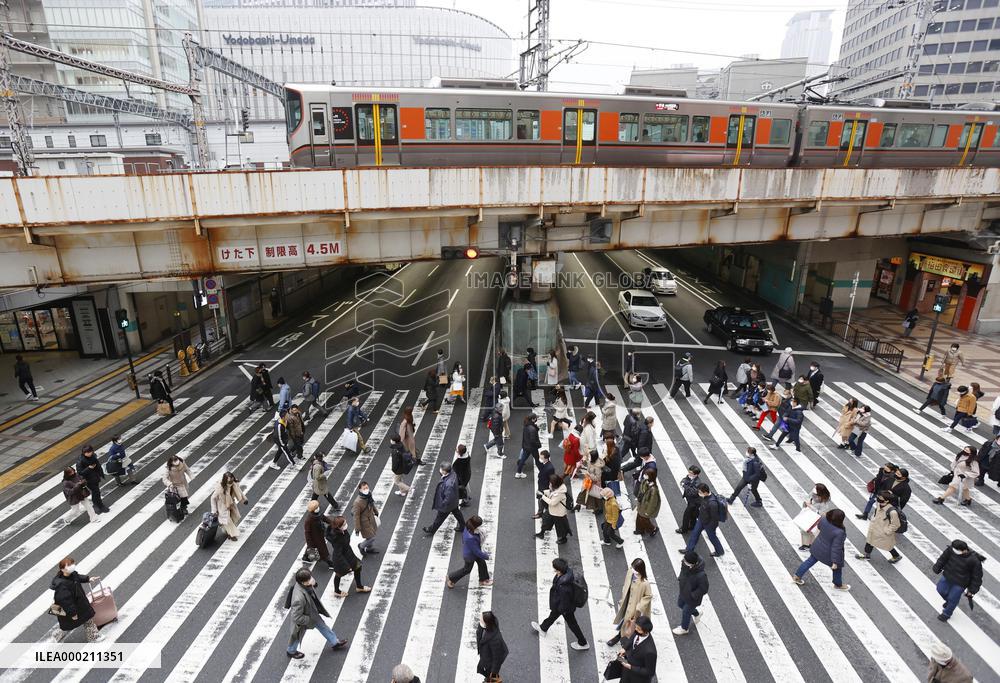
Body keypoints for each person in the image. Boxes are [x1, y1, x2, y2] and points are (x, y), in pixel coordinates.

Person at [285, 568, 348, 659]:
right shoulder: (298, 599)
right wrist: (310, 620)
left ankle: (335, 642)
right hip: (305, 617)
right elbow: (296, 617)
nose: (312, 579)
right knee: (296, 634)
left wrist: (313, 584)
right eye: (309, 579)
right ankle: (291, 651)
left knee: (322, 625)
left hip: (311, 612)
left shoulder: (303, 584)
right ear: (303, 583)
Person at [531, 557, 589, 651]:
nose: (554, 570)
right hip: (561, 605)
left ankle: (583, 643)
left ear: (559, 569)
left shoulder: (564, 586)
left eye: (555, 568)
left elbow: (564, 601)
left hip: (565, 608)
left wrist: (561, 610)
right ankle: (543, 628)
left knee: (572, 624)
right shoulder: (567, 573)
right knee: (553, 615)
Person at [791, 509, 850, 591]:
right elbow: (836, 548)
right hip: (828, 553)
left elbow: (819, 527)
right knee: (837, 568)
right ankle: (838, 584)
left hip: (817, 547)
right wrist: (835, 562)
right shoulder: (839, 532)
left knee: (809, 561)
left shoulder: (824, 519)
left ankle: (797, 576)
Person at [932, 539, 984, 622]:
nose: (954, 551)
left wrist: (972, 590)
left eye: (957, 550)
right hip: (947, 576)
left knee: (953, 598)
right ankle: (949, 602)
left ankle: (946, 614)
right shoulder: (951, 550)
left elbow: (977, 577)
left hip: (960, 583)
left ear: (964, 550)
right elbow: (943, 559)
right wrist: (937, 567)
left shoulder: (974, 560)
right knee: (940, 589)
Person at [50, 557, 100, 642]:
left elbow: (78, 577)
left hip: (77, 604)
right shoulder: (61, 585)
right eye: (69, 565)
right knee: (85, 620)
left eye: (72, 564)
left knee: (68, 624)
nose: (72, 566)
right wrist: (73, 613)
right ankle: (93, 637)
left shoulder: (72, 574)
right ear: (62, 569)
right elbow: (65, 601)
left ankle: (57, 635)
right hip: (73, 608)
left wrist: (88, 579)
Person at [608, 558, 652, 646]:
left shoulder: (644, 583)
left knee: (631, 625)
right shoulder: (630, 572)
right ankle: (620, 636)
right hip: (626, 602)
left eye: (634, 569)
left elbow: (648, 596)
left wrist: (639, 608)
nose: (632, 570)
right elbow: (626, 585)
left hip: (635, 608)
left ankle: (625, 641)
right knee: (624, 621)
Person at [324, 515, 371, 597]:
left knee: (358, 567)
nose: (346, 524)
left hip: (348, 554)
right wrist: (346, 566)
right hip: (341, 559)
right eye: (344, 524)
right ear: (339, 527)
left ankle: (359, 586)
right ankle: (337, 591)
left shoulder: (342, 531)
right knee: (338, 574)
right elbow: (339, 554)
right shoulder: (337, 539)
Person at [855, 491, 903, 563]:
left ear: (887, 501)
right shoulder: (879, 504)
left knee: (888, 545)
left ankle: (896, 556)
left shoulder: (892, 512)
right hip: (875, 528)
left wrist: (887, 531)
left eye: (880, 498)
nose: (878, 499)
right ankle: (867, 554)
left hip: (883, 531)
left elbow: (896, 524)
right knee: (870, 541)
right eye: (878, 497)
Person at [448, 515, 493, 588]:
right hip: (470, 556)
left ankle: (483, 579)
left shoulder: (468, 527)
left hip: (471, 552)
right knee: (467, 570)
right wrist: (486, 556)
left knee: (482, 563)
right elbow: (476, 551)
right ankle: (451, 578)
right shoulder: (470, 538)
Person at [681, 484, 725, 557]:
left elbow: (714, 518)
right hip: (701, 519)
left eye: (700, 492)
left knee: (712, 537)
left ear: (705, 492)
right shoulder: (706, 496)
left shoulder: (712, 503)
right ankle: (689, 550)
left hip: (709, 524)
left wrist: (710, 526)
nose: (699, 493)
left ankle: (719, 551)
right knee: (694, 534)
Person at [423, 462, 465, 535]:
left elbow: (448, 497)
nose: (440, 470)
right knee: (457, 512)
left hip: (447, 505)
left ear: (444, 471)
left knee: (440, 517)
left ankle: (431, 530)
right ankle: (463, 526)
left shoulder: (448, 484)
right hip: (454, 501)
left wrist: (442, 504)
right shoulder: (453, 474)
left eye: (441, 469)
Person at [673, 551, 709, 635]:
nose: (683, 561)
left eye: (685, 561)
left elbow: (704, 589)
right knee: (680, 604)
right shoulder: (685, 564)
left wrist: (693, 595)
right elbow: (682, 571)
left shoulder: (701, 575)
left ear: (692, 564)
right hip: (684, 591)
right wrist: (680, 578)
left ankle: (684, 628)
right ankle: (697, 614)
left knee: (686, 611)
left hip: (692, 598)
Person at [618, 615, 657, 682]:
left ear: (646, 631)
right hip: (626, 674)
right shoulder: (638, 632)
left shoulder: (650, 652)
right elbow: (632, 639)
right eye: (636, 627)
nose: (635, 629)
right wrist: (625, 648)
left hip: (638, 679)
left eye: (638, 629)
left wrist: (631, 667)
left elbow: (650, 672)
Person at [212, 471, 248, 541]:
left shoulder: (234, 484)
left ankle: (225, 528)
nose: (231, 483)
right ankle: (232, 535)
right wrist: (214, 510)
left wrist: (244, 500)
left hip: (231, 504)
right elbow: (213, 498)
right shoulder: (220, 488)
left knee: (235, 517)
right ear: (225, 481)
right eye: (229, 482)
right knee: (228, 520)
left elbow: (239, 491)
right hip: (222, 506)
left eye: (231, 480)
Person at [536, 473, 571, 544]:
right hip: (552, 510)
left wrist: (542, 496)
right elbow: (551, 493)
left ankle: (563, 539)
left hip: (558, 513)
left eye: (551, 483)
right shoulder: (557, 487)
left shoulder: (560, 493)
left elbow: (552, 502)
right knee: (545, 521)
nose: (549, 484)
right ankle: (541, 533)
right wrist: (544, 492)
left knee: (560, 528)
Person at [798, 484, 834, 550]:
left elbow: (823, 513)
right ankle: (806, 544)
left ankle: (809, 545)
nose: (813, 489)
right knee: (804, 529)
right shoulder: (814, 493)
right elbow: (807, 499)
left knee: (810, 530)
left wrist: (811, 507)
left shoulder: (824, 502)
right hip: (808, 514)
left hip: (816, 517)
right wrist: (806, 504)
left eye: (815, 488)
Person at [75, 445, 109, 514]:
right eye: (87, 452)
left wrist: (100, 473)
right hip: (88, 480)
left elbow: (97, 465)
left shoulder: (93, 456)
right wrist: (89, 468)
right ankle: (98, 505)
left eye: (90, 452)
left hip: (95, 477)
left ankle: (98, 505)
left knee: (96, 492)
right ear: (84, 453)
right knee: (96, 491)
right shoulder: (80, 461)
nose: (89, 453)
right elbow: (80, 473)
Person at [475, 611, 508, 681]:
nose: (480, 619)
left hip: (490, 661)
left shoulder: (495, 640)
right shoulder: (486, 625)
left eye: (481, 619)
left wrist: (494, 673)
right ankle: (489, 679)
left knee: (491, 675)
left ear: (486, 623)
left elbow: (497, 659)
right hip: (486, 656)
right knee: (486, 672)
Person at [303, 500, 335, 569]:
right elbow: (307, 533)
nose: (318, 508)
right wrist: (309, 543)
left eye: (317, 507)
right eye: (316, 508)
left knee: (312, 549)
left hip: (320, 534)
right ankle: (329, 563)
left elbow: (324, 518)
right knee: (322, 550)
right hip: (315, 538)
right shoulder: (308, 520)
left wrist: (333, 523)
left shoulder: (318, 514)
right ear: (312, 510)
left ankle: (306, 557)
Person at [351, 481, 379, 555]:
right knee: (372, 537)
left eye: (367, 487)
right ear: (360, 490)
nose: (366, 489)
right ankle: (361, 546)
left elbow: (371, 504)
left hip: (371, 519)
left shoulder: (369, 495)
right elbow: (356, 516)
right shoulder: (357, 502)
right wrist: (357, 528)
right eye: (364, 488)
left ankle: (369, 548)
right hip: (364, 523)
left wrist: (376, 511)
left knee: (370, 535)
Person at [675, 465, 702, 535]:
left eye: (691, 473)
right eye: (689, 472)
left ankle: (684, 529)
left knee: (686, 516)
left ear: (696, 474)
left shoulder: (698, 483)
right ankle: (692, 526)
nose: (689, 474)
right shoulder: (690, 477)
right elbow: (684, 479)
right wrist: (684, 483)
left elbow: (692, 493)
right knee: (693, 515)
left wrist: (684, 486)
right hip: (692, 501)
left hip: (694, 502)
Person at [635, 468, 661, 537]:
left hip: (646, 507)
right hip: (642, 504)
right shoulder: (645, 481)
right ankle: (640, 530)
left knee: (643, 519)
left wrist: (648, 512)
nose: (645, 475)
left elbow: (652, 503)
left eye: (646, 474)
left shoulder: (653, 489)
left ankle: (653, 529)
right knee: (639, 517)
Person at [515, 414, 541, 479]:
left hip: (526, 446)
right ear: (533, 419)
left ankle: (518, 473)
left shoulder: (526, 425)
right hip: (532, 448)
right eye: (535, 418)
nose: (536, 419)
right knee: (537, 460)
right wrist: (538, 444)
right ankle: (542, 472)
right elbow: (533, 440)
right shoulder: (532, 429)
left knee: (523, 459)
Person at [532, 450, 556, 519]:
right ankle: (542, 512)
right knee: (541, 499)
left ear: (546, 458)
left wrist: (550, 487)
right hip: (542, 485)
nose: (540, 458)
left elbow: (552, 479)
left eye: (541, 457)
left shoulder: (550, 467)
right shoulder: (545, 464)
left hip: (545, 487)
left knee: (542, 499)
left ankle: (541, 513)